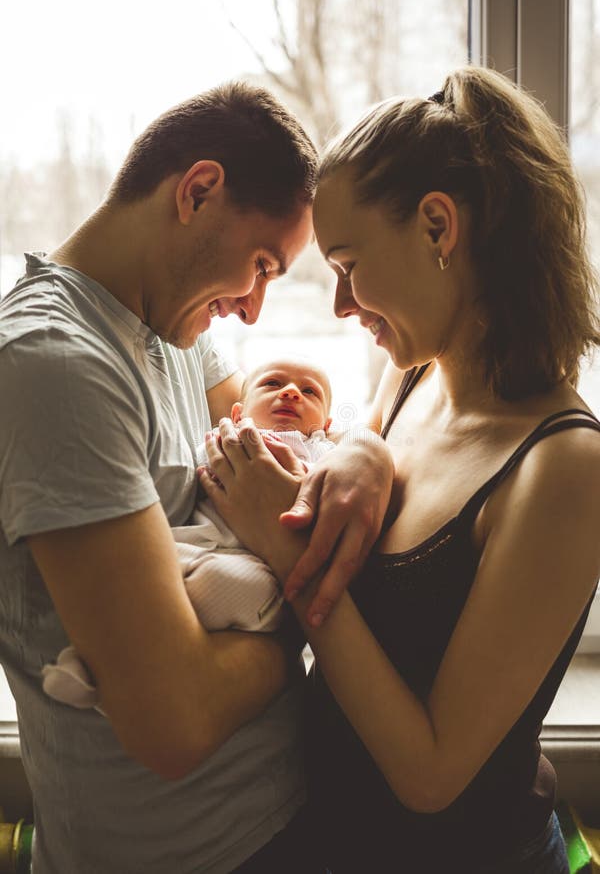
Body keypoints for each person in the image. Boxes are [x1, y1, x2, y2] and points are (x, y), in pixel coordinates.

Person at [199, 66, 600, 873]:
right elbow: (367, 443)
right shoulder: (414, 372)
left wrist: (286, 556)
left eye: (348, 263)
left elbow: (430, 774)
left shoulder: (564, 470)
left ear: (438, 229)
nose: (342, 306)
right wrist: (361, 449)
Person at [0, 80, 394, 874]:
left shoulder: (180, 332)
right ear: (199, 192)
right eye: (260, 265)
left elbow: (287, 457)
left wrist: (364, 452)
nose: (252, 311)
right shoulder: (55, 368)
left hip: (288, 813)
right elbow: (173, 724)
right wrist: (302, 630)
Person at [41, 356, 336, 711]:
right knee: (132, 565)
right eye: (272, 384)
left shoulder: (321, 453)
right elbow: (196, 466)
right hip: (192, 542)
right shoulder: (227, 435)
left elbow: (330, 492)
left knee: (223, 584)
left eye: (309, 392)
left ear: (326, 423)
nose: (290, 392)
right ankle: (92, 653)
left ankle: (114, 671)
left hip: (252, 564)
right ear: (239, 412)